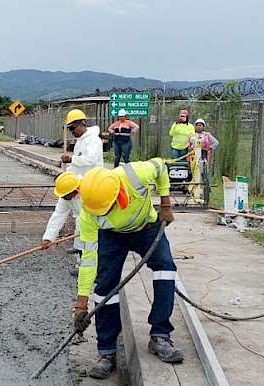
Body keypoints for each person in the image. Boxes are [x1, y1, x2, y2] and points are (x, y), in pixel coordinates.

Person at [73, 161, 182, 379]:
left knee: (166, 269)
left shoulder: (136, 174)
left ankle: (160, 334)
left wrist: (166, 204)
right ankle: (107, 352)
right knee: (105, 288)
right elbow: (89, 261)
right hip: (112, 237)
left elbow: (161, 167)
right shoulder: (89, 214)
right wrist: (81, 302)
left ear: (118, 193)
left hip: (146, 228)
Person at [41, 109, 104, 258]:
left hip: (93, 186)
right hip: (76, 182)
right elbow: (58, 214)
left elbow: (90, 160)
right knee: (80, 219)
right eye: (69, 129)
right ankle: (79, 248)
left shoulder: (93, 140)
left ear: (82, 124)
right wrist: (49, 237)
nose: (71, 132)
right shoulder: (66, 194)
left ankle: (86, 254)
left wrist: (71, 159)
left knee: (87, 223)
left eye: (72, 128)